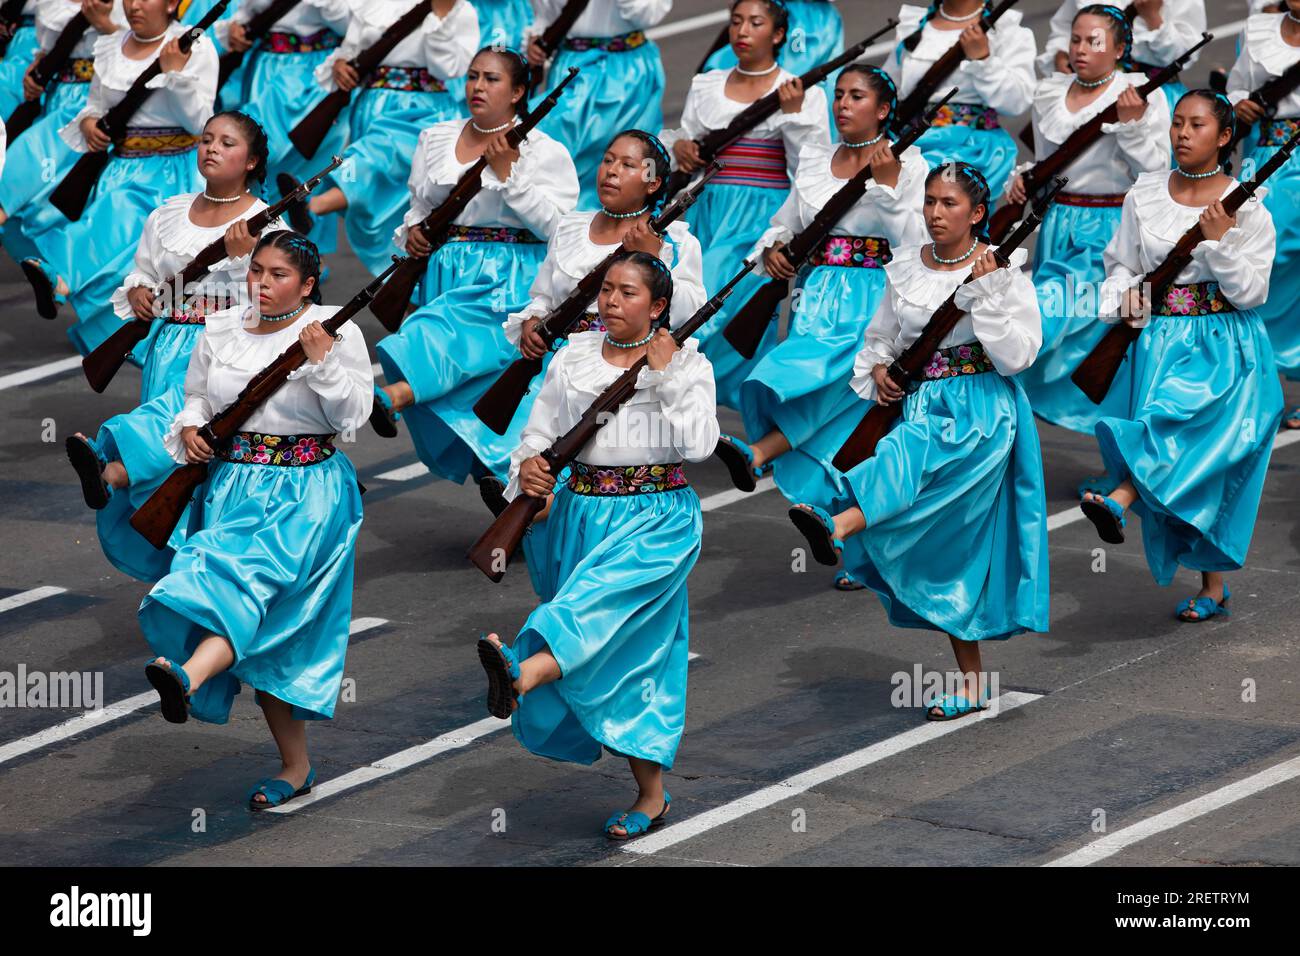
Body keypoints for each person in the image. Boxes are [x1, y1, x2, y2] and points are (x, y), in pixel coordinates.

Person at [787, 162, 1049, 720]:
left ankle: (837, 525)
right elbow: (881, 336)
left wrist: (984, 295)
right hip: (922, 404)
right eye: (929, 201)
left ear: (978, 214)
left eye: (949, 204)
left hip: (980, 413)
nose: (934, 213)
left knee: (903, 462)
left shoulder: (1005, 273)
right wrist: (880, 369)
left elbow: (1018, 355)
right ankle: (973, 680)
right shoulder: (905, 266)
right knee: (945, 542)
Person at [477, 250, 719, 840]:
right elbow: (539, 431)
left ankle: (524, 673)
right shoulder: (574, 356)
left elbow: (700, 444)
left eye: (627, 292)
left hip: (656, 517)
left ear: (659, 306)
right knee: (619, 649)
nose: (610, 301)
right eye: (606, 289)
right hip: (581, 512)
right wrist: (529, 470)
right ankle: (652, 795)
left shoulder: (688, 364)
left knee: (593, 611)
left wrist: (664, 375)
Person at [138, 229, 374, 810]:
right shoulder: (221, 328)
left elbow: (353, 418)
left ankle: (188, 678)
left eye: (278, 275)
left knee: (243, 585)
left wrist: (320, 365)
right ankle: (296, 766)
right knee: (232, 599)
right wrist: (191, 429)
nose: (262, 284)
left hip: (304, 493)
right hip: (231, 484)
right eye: (257, 271)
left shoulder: (334, 333)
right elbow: (196, 396)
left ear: (309, 284)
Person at [713, 64, 929, 594]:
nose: (842, 104)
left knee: (850, 405)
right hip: (819, 296)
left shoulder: (910, 165)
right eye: (838, 96)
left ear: (883, 110)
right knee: (805, 383)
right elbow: (787, 219)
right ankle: (836, 524)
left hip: (874, 299)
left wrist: (887, 186)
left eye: (857, 97)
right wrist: (776, 251)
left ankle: (763, 454)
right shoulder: (815, 158)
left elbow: (915, 240)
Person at [1080, 91, 1283, 623]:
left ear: (1223, 137)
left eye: (1197, 125)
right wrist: (1121, 294)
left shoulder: (1249, 207)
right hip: (1160, 339)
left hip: (1224, 347)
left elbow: (1253, 291)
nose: (1182, 134)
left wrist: (1218, 243)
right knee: (1184, 453)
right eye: (1176, 123)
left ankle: (1122, 496)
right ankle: (1212, 585)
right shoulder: (1144, 193)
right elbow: (1120, 262)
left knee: (1187, 442)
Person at [65, 111, 279, 583]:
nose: (212, 148)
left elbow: (286, 289)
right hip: (168, 344)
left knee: (180, 421)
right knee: (183, 457)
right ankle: (183, 574)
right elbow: (143, 270)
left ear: (252, 162)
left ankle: (114, 471)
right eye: (206, 139)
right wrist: (140, 292)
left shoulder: (264, 224)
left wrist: (248, 257)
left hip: (226, 347)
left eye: (227, 142)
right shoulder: (168, 213)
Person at [369, 46, 578, 485]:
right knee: (476, 377)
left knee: (448, 340)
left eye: (492, 79)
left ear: (519, 92)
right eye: (472, 76)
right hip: (447, 268)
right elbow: (418, 205)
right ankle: (504, 478)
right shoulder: (438, 137)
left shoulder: (544, 150)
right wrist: (415, 232)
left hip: (509, 273)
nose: (477, 87)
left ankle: (396, 396)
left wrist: (510, 175)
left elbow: (557, 226)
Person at [17, 0, 218, 359]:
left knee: (136, 251)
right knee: (112, 243)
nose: (134, 5)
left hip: (171, 170)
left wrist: (174, 74)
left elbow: (201, 123)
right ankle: (67, 284)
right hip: (121, 165)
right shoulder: (113, 45)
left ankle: (62, 278)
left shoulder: (194, 46)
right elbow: (95, 105)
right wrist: (89, 124)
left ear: (172, 3)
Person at [1009, 4, 1170, 449]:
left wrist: (1133, 126)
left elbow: (1155, 170)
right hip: (1059, 224)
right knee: (1061, 329)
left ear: (1120, 48)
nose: (1080, 49)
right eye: (1076, 39)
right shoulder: (1049, 93)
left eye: (1094, 41)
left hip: (1109, 230)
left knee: (1058, 322)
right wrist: (1026, 183)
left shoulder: (1140, 94)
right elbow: (1047, 161)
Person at [660, 0, 830, 410]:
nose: (742, 30)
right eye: (736, 21)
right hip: (706, 208)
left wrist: (792, 115)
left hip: (761, 215)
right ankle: (686, 402)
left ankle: (697, 397)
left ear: (778, 35)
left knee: (723, 310)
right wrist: (681, 147)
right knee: (687, 298)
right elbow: (688, 142)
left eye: (756, 23)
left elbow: (812, 165)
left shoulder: (800, 92)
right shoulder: (707, 84)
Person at [302, 0, 479, 277]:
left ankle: (313, 205)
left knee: (381, 161)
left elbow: (450, 68)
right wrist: (340, 65)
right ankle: (403, 295)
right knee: (380, 203)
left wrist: (441, 17)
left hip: (425, 107)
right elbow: (351, 49)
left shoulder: (460, 10)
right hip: (374, 104)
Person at [212, 0, 349, 255]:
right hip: (265, 69)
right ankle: (256, 249)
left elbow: (353, 24)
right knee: (255, 158)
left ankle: (304, 257)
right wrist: (235, 29)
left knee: (309, 162)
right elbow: (246, 11)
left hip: (316, 72)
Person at [0, 0, 124, 263]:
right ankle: (48, 275)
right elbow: (46, 49)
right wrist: (37, 69)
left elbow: (141, 52)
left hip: (91, 104)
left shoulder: (129, 6)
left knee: (52, 196)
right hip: (53, 98)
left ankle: (59, 276)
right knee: (22, 194)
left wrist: (107, 27)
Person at [1227, 0, 1300, 429]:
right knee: (1257, 267)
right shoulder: (1258, 29)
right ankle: (1257, 383)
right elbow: (1236, 88)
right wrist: (1239, 105)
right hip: (1272, 160)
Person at [527, 0, 671, 210]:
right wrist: (537, 37)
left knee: (629, 160)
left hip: (628, 71)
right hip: (573, 68)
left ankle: (621, 233)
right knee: (557, 155)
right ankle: (566, 231)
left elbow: (649, 13)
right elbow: (545, 12)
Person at [883, 0, 1036, 196]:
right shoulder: (914, 25)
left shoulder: (1007, 31)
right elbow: (886, 91)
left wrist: (984, 59)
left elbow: (1017, 101)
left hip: (973, 150)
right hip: (910, 144)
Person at [1039, 0, 1207, 110]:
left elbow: (1186, 53)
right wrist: (1061, 55)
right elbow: (1065, 28)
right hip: (1090, 93)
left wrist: (1153, 18)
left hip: (1154, 94)